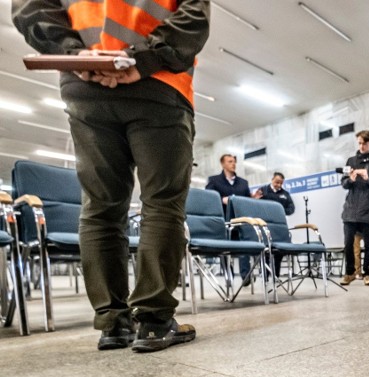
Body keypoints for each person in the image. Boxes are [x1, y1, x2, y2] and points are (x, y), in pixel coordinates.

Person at [13, 0, 209, 352]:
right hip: (159, 85)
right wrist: (145, 58)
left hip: (85, 86)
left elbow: (30, 8)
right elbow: (194, 14)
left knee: (101, 206)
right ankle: (153, 322)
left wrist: (76, 54)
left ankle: (113, 324)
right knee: (162, 203)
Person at [340, 130, 369, 286]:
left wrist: (367, 178)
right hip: (350, 211)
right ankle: (350, 272)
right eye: (359, 143)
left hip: (367, 211)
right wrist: (351, 180)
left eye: (364, 143)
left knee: (368, 245)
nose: (361, 146)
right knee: (347, 244)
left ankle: (368, 273)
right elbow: (344, 184)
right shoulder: (351, 160)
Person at [206, 154, 252, 282]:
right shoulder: (214, 180)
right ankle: (228, 275)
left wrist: (253, 199)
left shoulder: (243, 183)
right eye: (230, 161)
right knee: (224, 248)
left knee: (244, 246)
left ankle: (246, 275)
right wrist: (222, 199)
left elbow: (247, 200)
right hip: (223, 220)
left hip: (240, 220)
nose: (233, 164)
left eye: (234, 161)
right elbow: (209, 198)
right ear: (223, 164)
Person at [254, 172, 296, 277]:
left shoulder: (285, 194)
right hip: (265, 225)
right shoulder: (263, 190)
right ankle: (265, 275)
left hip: (280, 225)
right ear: (272, 179)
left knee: (279, 251)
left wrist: (281, 210)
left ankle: (276, 275)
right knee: (266, 250)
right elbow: (255, 204)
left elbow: (291, 209)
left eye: (281, 183)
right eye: (277, 182)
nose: (279, 185)